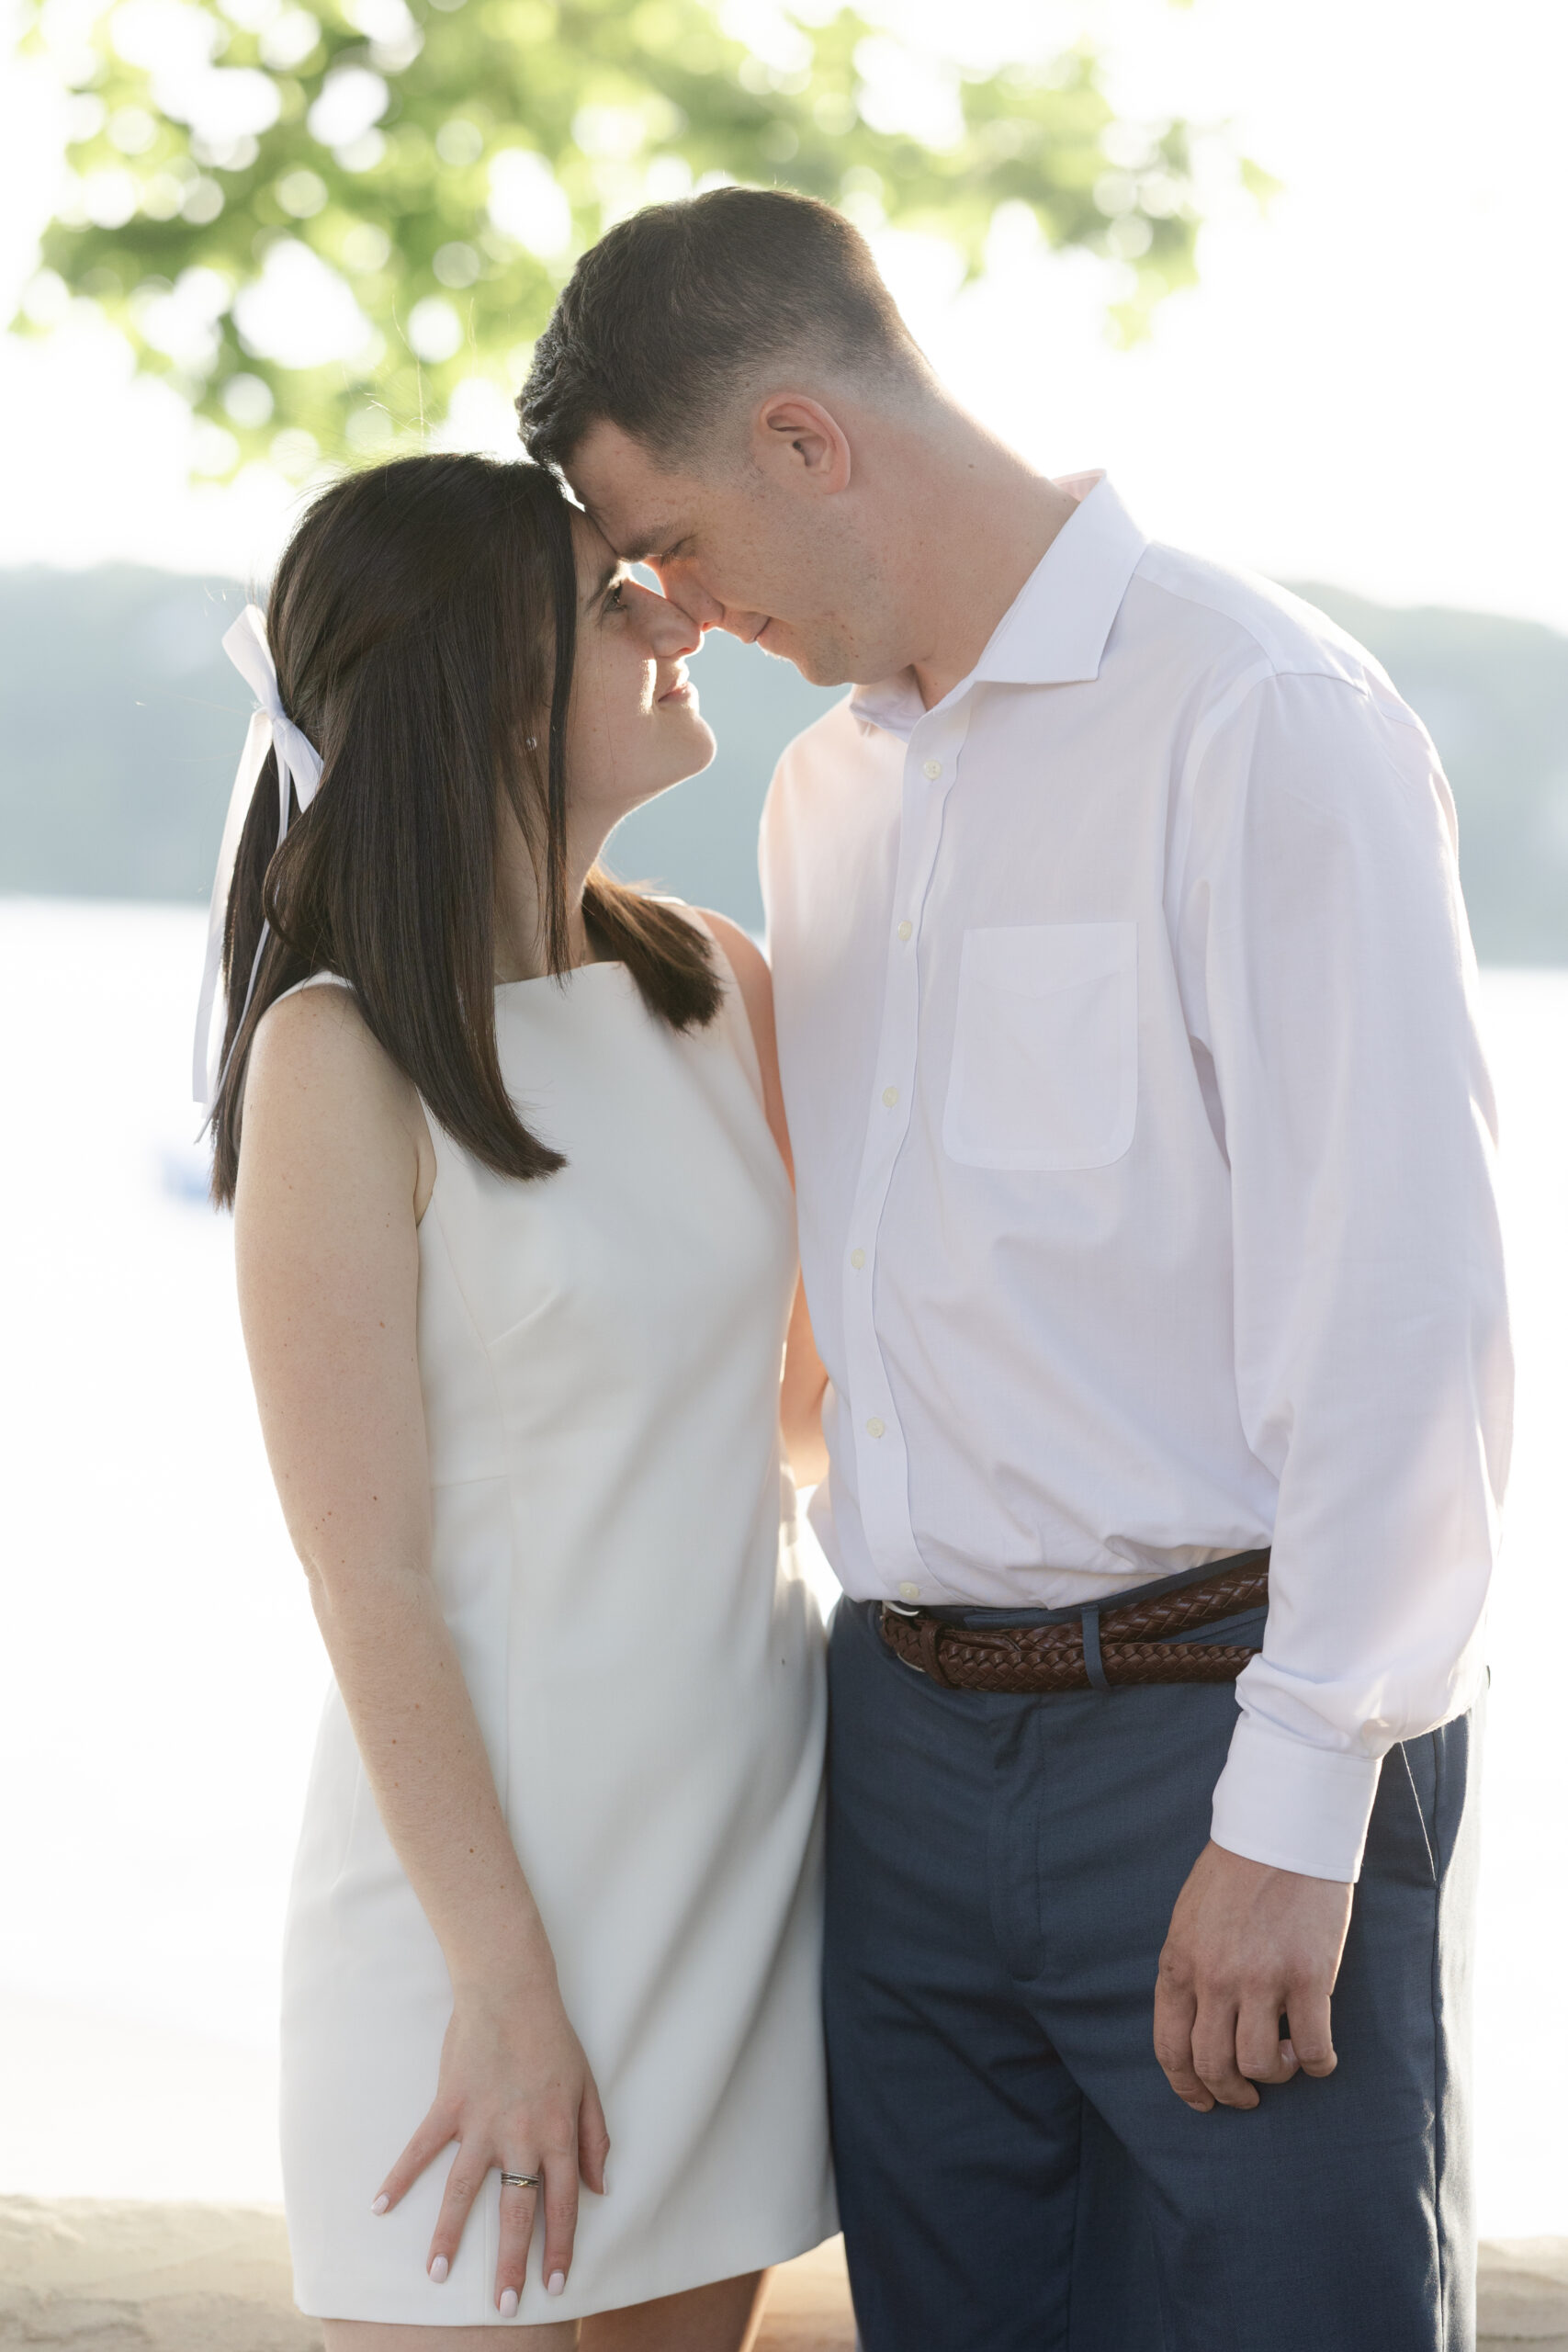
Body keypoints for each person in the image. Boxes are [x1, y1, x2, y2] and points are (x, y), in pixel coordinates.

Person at [517, 187, 1514, 2351]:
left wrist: (1300, 1792)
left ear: (801, 435)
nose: (671, 610)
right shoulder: (822, 804)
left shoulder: (1258, 714)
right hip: (896, 1751)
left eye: (664, 535)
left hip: (1213, 1736)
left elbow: (1402, 1304)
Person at [198, 450, 837, 2346]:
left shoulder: (721, 984)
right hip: (477, 1914)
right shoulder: (341, 1052)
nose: (680, 614)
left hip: (735, 1858)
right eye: (612, 596)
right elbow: (365, 1572)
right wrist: (502, 1982)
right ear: (484, 685)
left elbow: (806, 1424)